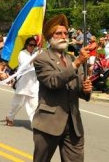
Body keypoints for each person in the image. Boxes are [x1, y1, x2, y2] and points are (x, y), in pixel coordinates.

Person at [32, 14, 92, 162]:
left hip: (73, 125)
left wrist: (86, 90)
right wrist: (77, 63)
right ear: (49, 37)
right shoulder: (42, 58)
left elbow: (77, 89)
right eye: (58, 33)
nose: (63, 36)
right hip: (49, 123)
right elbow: (53, 82)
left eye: (65, 33)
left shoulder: (72, 59)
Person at [5, 37, 39, 126]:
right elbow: (26, 66)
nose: (32, 47)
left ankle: (35, 124)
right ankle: (10, 117)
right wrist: (36, 57)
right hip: (23, 83)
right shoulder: (22, 53)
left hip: (34, 83)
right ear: (26, 45)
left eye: (34, 45)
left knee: (34, 104)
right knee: (18, 103)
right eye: (31, 45)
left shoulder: (36, 54)